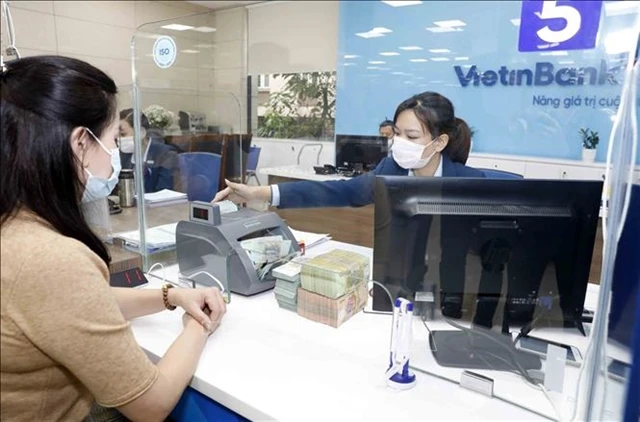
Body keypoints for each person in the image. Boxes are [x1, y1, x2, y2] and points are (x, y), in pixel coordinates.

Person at [1, 56, 226, 422]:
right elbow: (149, 405)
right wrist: (198, 325)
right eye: (113, 141)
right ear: (80, 143)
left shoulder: (15, 229)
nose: (115, 158)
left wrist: (171, 296)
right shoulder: (50, 257)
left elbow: (75, 304)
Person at [213, 91, 485, 208]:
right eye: (397, 133)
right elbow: (337, 191)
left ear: (439, 143)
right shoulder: (391, 170)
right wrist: (258, 193)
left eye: (411, 136)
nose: (399, 143)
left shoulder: (470, 183)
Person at [118, 108, 178, 193]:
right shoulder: (122, 156)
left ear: (141, 132)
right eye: (117, 135)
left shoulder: (165, 154)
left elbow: (164, 191)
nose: (119, 139)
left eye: (123, 134)